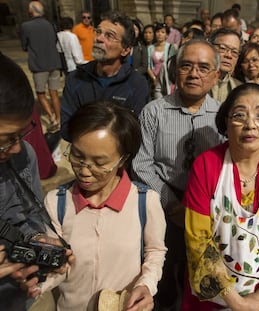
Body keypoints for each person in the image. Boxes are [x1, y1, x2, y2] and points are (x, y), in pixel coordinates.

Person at [28, 101, 167, 310]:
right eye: (77, 156)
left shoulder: (144, 201)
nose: (84, 170)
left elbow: (155, 251)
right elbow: (59, 267)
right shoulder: (57, 202)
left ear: (123, 159)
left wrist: (147, 285)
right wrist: (40, 284)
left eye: (99, 163)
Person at [182, 83, 259, 310]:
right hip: (214, 299)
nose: (250, 124)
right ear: (226, 122)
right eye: (239, 115)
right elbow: (198, 240)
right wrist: (234, 301)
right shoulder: (207, 165)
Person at [132, 39, 224, 311]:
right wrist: (172, 205)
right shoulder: (154, 112)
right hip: (163, 205)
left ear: (216, 75)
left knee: (201, 276)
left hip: (207, 211)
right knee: (164, 274)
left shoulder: (222, 116)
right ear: (174, 70)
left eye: (204, 68)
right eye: (186, 66)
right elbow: (142, 163)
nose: (194, 73)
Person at [0, 52, 72, 311]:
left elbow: (28, 215)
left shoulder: (22, 157)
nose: (17, 148)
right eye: (6, 138)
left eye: (22, 133)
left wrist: (41, 240)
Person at [60, 11, 149, 141]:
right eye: (98, 32)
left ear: (125, 50)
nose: (99, 39)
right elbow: (66, 128)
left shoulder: (137, 84)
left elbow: (134, 133)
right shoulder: (75, 79)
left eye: (109, 36)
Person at [21, 1, 61, 133]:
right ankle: (59, 118)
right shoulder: (50, 24)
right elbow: (55, 40)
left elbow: (24, 46)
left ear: (31, 11)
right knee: (54, 93)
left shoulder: (26, 26)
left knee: (40, 93)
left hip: (39, 65)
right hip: (54, 63)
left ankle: (52, 118)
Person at [210, 28, 242, 103]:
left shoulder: (239, 90)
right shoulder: (196, 81)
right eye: (223, 48)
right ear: (210, 47)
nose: (228, 55)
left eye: (234, 52)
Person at [147, 22, 176, 89]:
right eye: (158, 32)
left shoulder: (170, 47)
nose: (159, 34)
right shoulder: (150, 48)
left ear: (166, 35)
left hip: (167, 78)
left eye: (162, 32)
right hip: (154, 78)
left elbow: (172, 64)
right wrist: (154, 78)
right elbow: (148, 65)